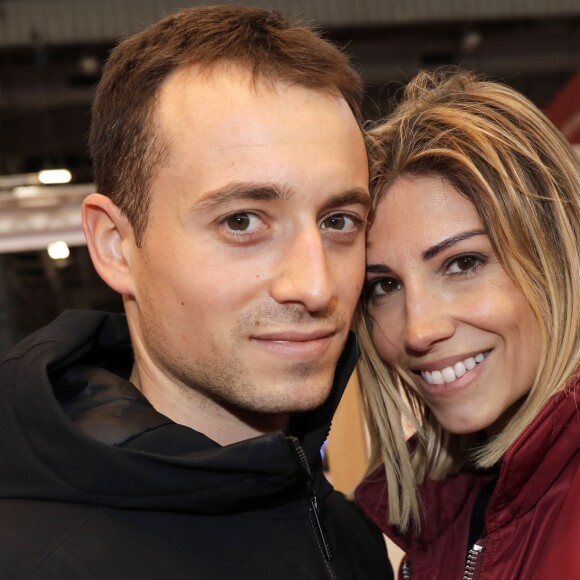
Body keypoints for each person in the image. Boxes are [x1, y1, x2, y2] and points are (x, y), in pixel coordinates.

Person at [0, 6, 392, 579]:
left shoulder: (350, 536)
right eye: (242, 222)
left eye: (338, 221)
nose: (315, 285)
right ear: (115, 245)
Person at [354, 68, 580, 579]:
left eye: (463, 264)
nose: (418, 330)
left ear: (556, 261)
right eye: (383, 286)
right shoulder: (447, 507)